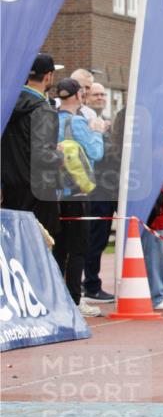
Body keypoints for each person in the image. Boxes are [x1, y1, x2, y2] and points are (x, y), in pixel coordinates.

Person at [53, 78, 105, 318]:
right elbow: (96, 152)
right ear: (77, 97)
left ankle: (57, 297)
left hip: (54, 192)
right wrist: (97, 132)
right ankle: (74, 300)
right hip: (77, 191)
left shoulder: (50, 118)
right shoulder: (79, 122)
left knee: (59, 248)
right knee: (78, 248)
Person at [1, 53, 64, 240]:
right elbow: (42, 156)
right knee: (39, 252)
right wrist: (59, 156)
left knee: (15, 249)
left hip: (11, 190)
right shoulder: (43, 110)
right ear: (48, 76)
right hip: (38, 194)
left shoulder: (7, 106)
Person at [82, 82, 117, 303]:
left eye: (103, 94)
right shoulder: (85, 122)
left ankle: (92, 283)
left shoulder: (107, 122)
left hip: (112, 187)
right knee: (94, 239)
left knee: (101, 238)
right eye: (96, 94)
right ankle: (91, 285)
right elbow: (96, 153)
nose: (100, 97)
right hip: (96, 189)